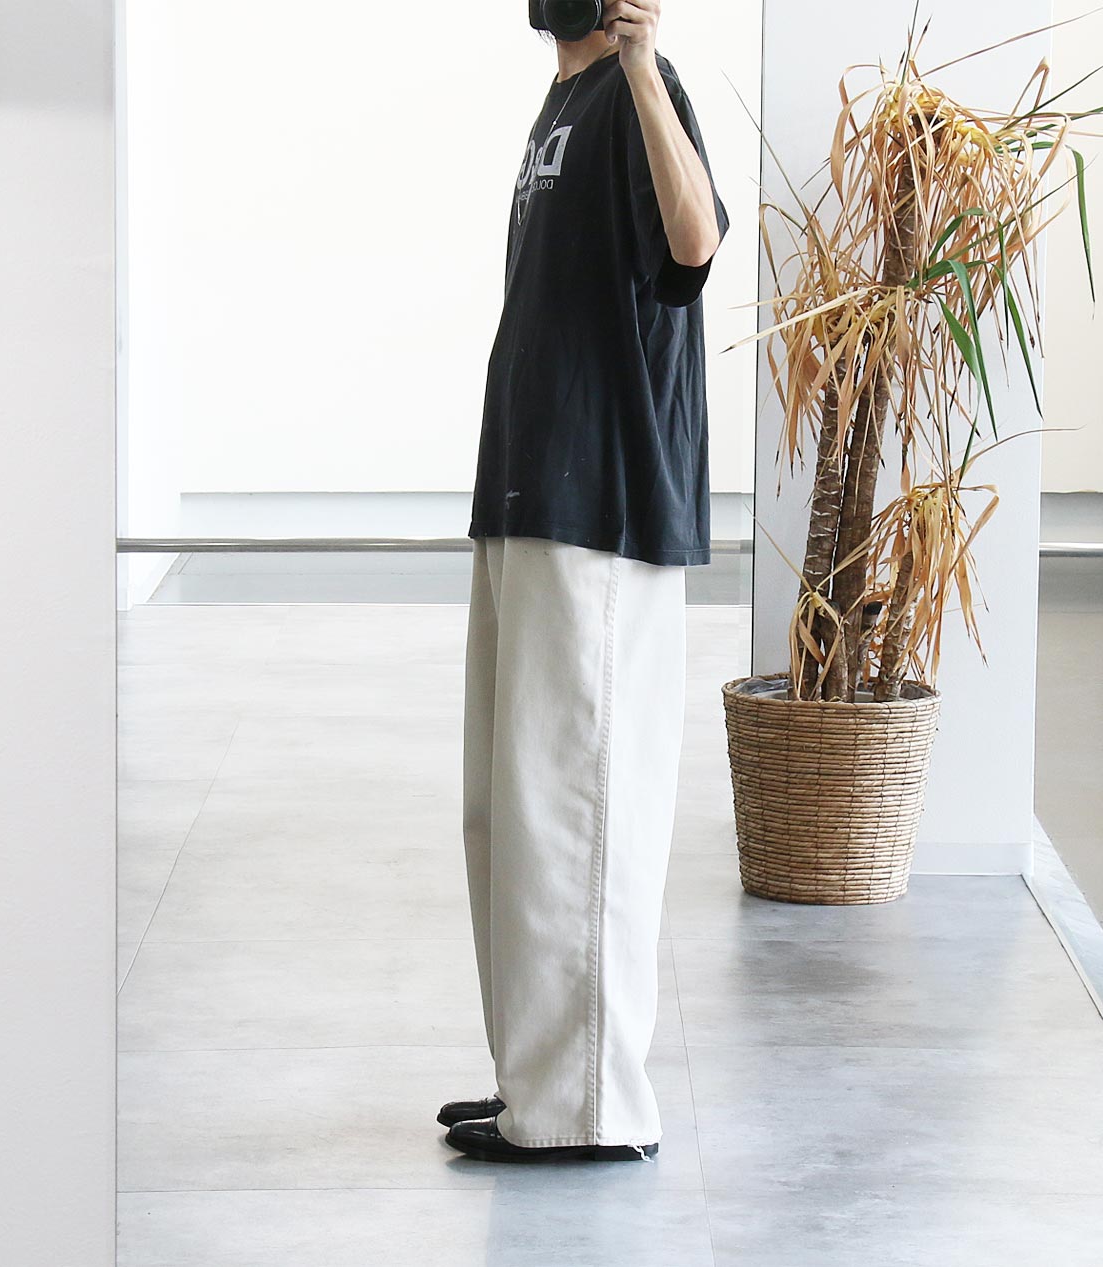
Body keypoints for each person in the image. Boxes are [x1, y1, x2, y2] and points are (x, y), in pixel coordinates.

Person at [443, 0, 729, 1164]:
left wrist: (645, 64)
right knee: (510, 813)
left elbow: (693, 242)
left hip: (599, 500)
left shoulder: (634, 90)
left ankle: (587, 1111)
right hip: (529, 488)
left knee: (577, 805)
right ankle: (536, 1080)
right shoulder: (563, 97)